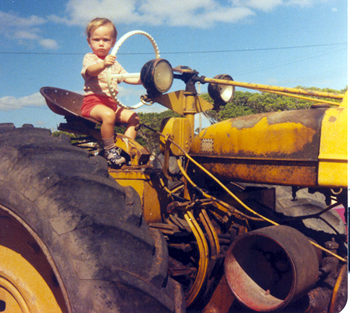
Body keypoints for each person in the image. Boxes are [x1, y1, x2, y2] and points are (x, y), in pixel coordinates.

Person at [81, 17, 141, 166]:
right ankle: (109, 150)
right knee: (108, 115)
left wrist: (146, 78)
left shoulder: (115, 64)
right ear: (89, 42)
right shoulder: (90, 58)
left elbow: (128, 78)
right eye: (96, 40)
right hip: (93, 103)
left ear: (114, 42)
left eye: (106, 40)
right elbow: (90, 71)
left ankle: (125, 148)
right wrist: (103, 64)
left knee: (134, 117)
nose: (101, 43)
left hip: (111, 104)